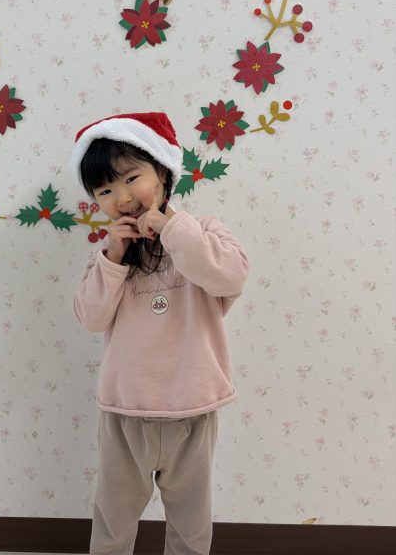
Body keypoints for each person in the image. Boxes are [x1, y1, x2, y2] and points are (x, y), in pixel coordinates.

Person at [68, 111, 250, 555]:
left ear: (164, 172)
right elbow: (91, 318)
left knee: (190, 523)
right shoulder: (110, 255)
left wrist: (171, 229)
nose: (122, 197)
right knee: (113, 522)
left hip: (193, 409)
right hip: (125, 412)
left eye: (132, 178)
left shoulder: (202, 234)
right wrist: (113, 255)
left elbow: (230, 277)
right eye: (105, 191)